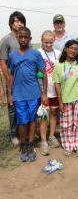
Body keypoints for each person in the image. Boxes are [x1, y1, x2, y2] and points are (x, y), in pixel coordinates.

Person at [8, 27, 47, 162]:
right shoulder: (12, 55)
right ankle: (23, 145)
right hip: (18, 95)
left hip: (34, 93)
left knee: (32, 120)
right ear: (17, 38)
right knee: (22, 121)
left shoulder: (35, 54)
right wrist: (10, 94)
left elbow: (44, 74)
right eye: (20, 37)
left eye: (26, 37)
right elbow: (11, 76)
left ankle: (30, 145)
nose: (23, 39)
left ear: (30, 39)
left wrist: (44, 94)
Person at [53, 40, 78, 157]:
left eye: (76, 49)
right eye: (71, 48)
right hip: (65, 100)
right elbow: (57, 84)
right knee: (66, 124)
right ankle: (68, 146)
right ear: (65, 49)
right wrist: (60, 101)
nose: (73, 50)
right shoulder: (59, 65)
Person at [0, 11, 26, 146]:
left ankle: (24, 132)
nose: (19, 23)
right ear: (11, 23)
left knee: (24, 105)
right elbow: (3, 62)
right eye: (16, 21)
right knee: (13, 107)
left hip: (25, 79)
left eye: (21, 21)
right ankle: (14, 134)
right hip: (12, 78)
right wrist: (9, 79)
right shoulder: (6, 40)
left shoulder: (24, 38)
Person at [38, 30, 61, 155]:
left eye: (50, 42)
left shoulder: (58, 53)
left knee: (53, 113)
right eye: (46, 42)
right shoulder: (38, 53)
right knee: (44, 115)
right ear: (41, 41)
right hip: (43, 89)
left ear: (54, 41)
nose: (48, 45)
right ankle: (43, 141)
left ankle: (51, 136)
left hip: (56, 89)